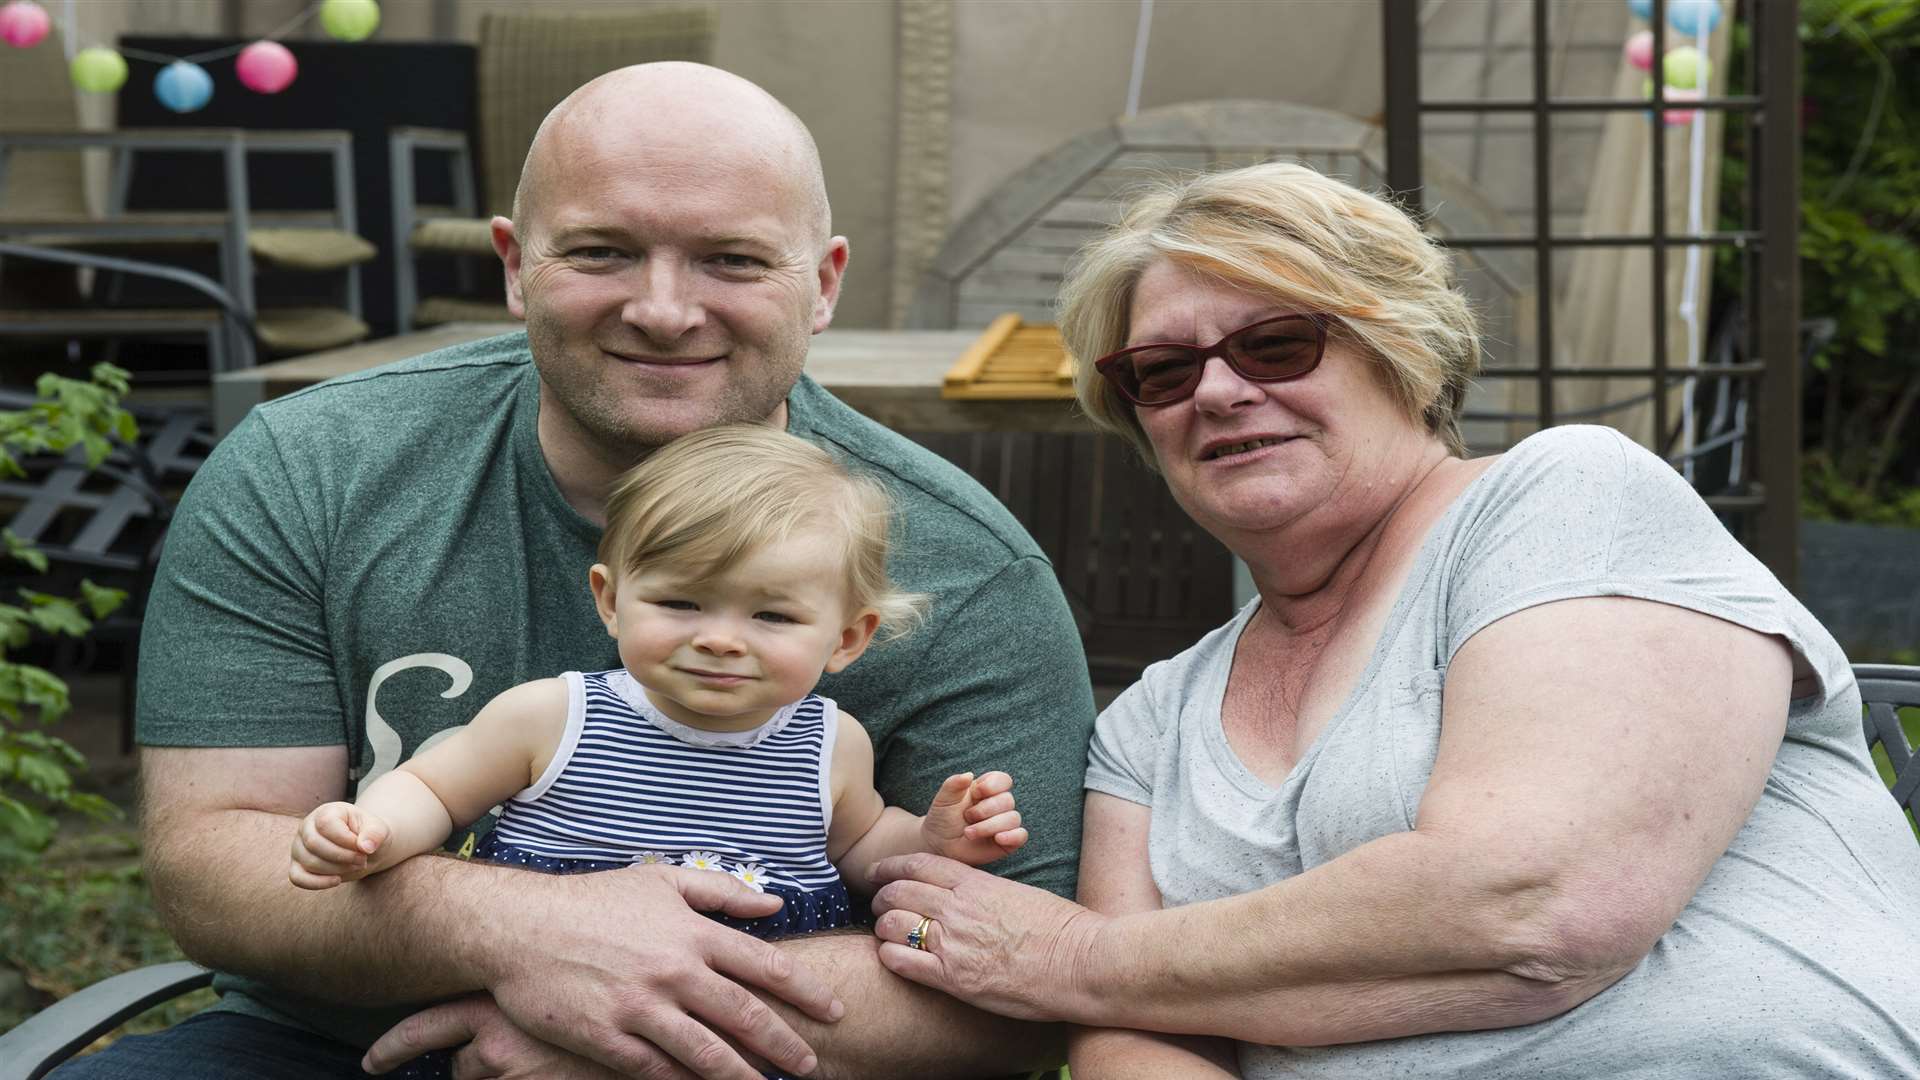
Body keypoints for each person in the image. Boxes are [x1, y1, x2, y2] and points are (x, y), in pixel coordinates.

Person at [70, 63, 1095, 1080]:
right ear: (515, 266)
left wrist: (635, 1026)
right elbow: (217, 866)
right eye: (602, 251)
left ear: (822, 283)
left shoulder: (965, 570)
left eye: (732, 260)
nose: (661, 310)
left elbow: (1016, 979)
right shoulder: (312, 471)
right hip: (336, 1045)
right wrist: (531, 933)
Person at [864, 162, 1920, 1078]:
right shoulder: (1150, 725)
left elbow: (1534, 908)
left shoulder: (1565, 499)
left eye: (1276, 343)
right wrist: (1115, 989)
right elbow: (1132, 1042)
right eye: (1164, 372)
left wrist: (1073, 958)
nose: (1219, 393)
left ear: (1401, 351)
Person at [290, 425, 1029, 1078]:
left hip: (744, 1041)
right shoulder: (554, 717)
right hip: (545, 1015)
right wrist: (373, 831)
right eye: (681, 603)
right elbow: (433, 789)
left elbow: (861, 842)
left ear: (845, 639)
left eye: (771, 614)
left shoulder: (831, 742)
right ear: (612, 599)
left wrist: (932, 839)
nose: (718, 637)